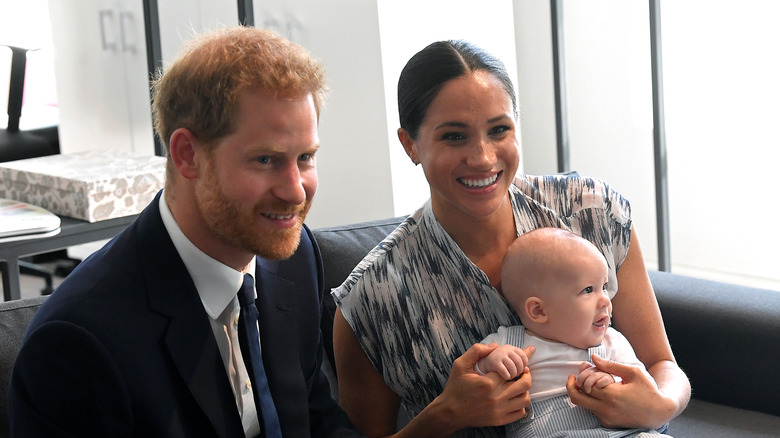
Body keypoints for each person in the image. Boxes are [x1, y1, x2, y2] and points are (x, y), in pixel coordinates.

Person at [9, 26, 361, 438]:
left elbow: (315, 417)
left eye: (305, 157)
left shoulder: (294, 259)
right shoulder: (77, 344)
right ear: (187, 154)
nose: (295, 190)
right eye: (265, 159)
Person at [331, 39, 690, 438]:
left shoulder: (591, 211)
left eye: (499, 129)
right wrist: (446, 414)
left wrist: (660, 404)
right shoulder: (371, 299)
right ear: (410, 144)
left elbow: (662, 363)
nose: (483, 158)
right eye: (454, 136)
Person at [475, 227, 671, 437]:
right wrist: (491, 362)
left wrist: (612, 384)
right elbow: (471, 379)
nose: (605, 299)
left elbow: (645, 391)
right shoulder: (508, 343)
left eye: (604, 286)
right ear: (538, 310)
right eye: (588, 290)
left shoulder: (612, 342)